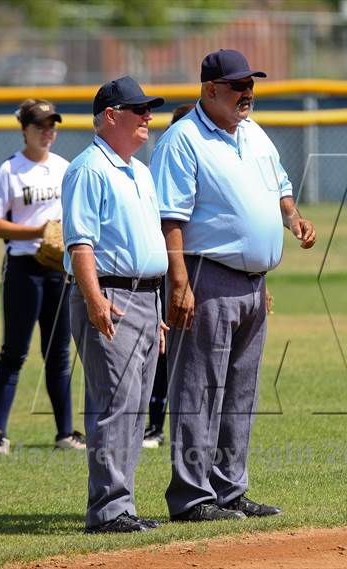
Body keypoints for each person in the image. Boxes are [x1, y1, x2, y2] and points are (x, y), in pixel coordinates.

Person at [150, 49, 316, 522]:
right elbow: (171, 218)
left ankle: (228, 489)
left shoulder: (254, 133)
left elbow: (280, 184)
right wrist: (179, 283)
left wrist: (294, 218)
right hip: (205, 276)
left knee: (241, 391)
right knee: (199, 389)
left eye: (252, 84)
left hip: (251, 282)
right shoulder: (183, 140)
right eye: (238, 85)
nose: (248, 93)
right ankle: (191, 496)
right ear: (210, 90)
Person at [62, 76, 168, 533]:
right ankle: (108, 511)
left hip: (145, 296)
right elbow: (80, 244)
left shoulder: (138, 171)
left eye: (148, 109)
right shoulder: (89, 168)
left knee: (135, 408)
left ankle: (121, 506)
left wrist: (157, 308)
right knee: (115, 405)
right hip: (110, 294)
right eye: (138, 109)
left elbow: (148, 245)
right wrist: (94, 300)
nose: (148, 117)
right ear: (111, 116)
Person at [0, 99, 85, 455]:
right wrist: (37, 232)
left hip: (58, 269)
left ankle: (65, 432)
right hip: (23, 270)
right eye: (40, 125)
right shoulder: (10, 170)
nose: (48, 131)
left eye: (52, 125)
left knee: (58, 353)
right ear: (24, 129)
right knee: (14, 352)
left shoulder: (64, 167)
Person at [143, 103, 195, 450]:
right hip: (170, 270)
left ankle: (194, 431)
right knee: (162, 350)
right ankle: (155, 426)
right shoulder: (157, 170)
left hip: (207, 270)